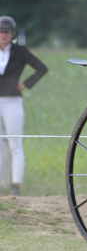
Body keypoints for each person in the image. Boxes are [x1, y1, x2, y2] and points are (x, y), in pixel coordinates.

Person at [0, 16, 48, 197]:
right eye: (1, 32)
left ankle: (16, 185)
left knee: (15, 143)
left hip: (12, 100)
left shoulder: (20, 51)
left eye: (6, 32)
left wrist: (26, 84)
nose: (3, 35)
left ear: (11, 33)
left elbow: (41, 67)